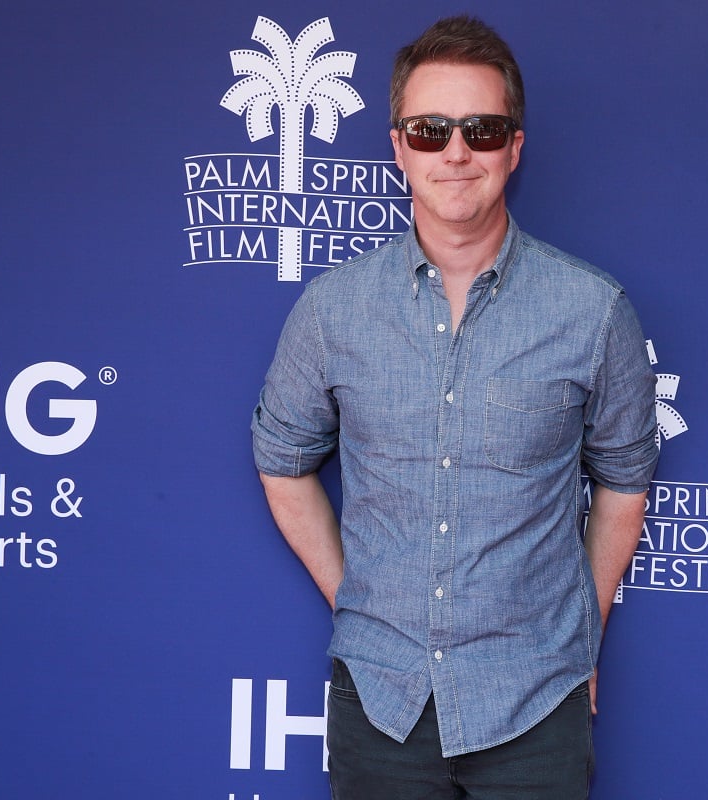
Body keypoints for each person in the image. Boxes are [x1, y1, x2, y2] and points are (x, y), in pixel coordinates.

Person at [251, 15, 659, 799]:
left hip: (536, 705)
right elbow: (281, 462)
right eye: (431, 130)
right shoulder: (333, 311)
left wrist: (583, 639)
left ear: (514, 146)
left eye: (483, 128)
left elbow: (624, 483)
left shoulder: (593, 311)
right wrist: (356, 604)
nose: (457, 152)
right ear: (399, 147)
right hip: (381, 703)